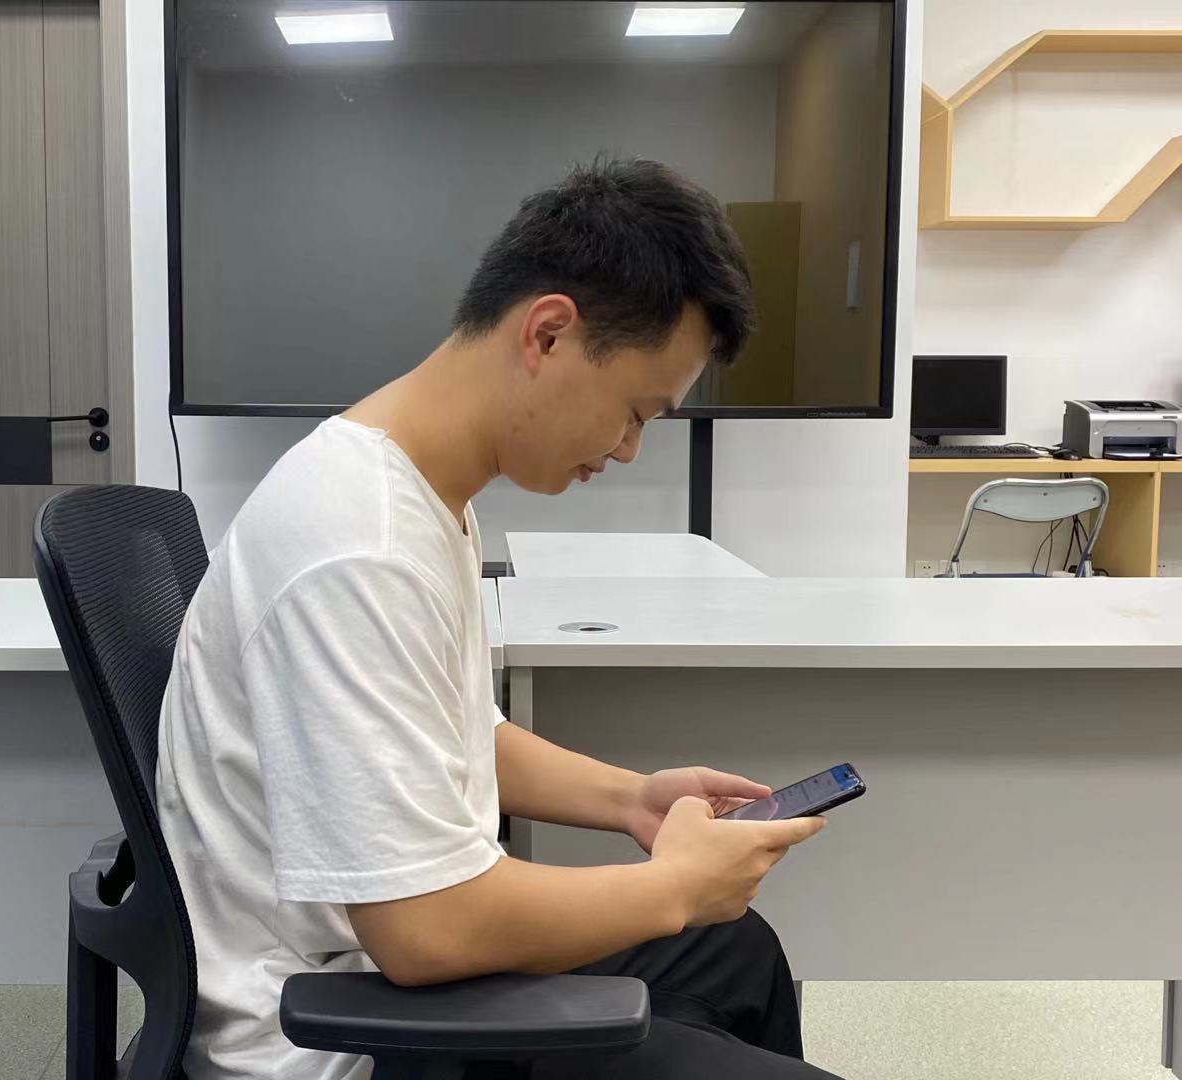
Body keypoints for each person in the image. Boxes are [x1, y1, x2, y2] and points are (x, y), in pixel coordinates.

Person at [156, 157, 838, 1080]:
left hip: (398, 972)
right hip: (346, 1034)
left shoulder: (422, 488)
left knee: (734, 953)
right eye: (636, 412)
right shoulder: (358, 544)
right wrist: (672, 887)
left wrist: (630, 800)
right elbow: (425, 932)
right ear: (548, 333)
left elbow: (455, 733)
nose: (629, 449)